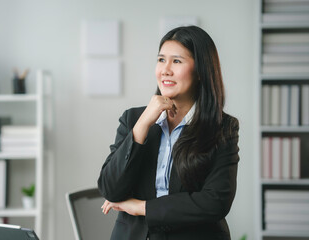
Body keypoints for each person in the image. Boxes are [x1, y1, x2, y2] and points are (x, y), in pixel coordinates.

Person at [97, 25, 240, 240]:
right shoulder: (133, 120)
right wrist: (144, 123)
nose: (165, 69)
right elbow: (110, 189)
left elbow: (215, 202)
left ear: (201, 71)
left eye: (177, 61)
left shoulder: (222, 127)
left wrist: (143, 207)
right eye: (161, 60)